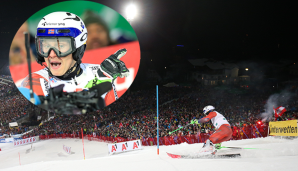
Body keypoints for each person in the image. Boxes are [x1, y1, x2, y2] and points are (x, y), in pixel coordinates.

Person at [20, 12, 129, 112]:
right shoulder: (34, 80)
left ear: (78, 48)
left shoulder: (100, 73)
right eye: (46, 46)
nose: (52, 54)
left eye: (61, 46)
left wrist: (105, 81)